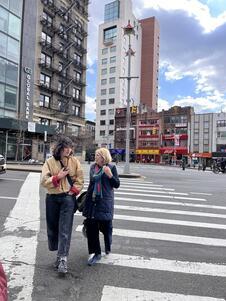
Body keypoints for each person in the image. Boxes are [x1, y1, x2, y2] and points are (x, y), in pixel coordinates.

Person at [41, 136, 84, 275]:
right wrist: (58, 177)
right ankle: (58, 255)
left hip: (67, 198)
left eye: (71, 148)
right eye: (66, 148)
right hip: (52, 198)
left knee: (65, 229)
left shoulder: (74, 161)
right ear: (60, 148)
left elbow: (80, 179)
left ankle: (62, 259)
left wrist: (72, 192)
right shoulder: (49, 162)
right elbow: (43, 181)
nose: (69, 150)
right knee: (53, 228)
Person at [82, 148, 120, 266]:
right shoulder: (93, 167)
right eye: (96, 155)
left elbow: (116, 184)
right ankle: (96, 253)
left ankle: (108, 244)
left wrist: (109, 175)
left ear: (103, 157)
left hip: (105, 202)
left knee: (106, 227)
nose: (95, 157)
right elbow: (92, 181)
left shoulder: (111, 168)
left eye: (98, 155)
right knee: (91, 227)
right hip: (92, 200)